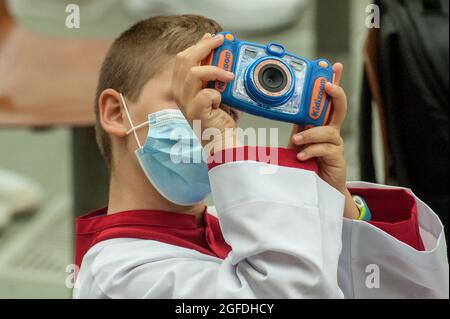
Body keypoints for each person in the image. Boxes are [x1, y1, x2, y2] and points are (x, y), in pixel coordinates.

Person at [73, 15, 448, 299]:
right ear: (116, 113)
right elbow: (290, 290)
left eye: (227, 109)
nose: (213, 119)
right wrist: (225, 142)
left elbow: (412, 291)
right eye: (186, 99)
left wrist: (339, 205)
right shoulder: (120, 277)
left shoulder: (231, 224)